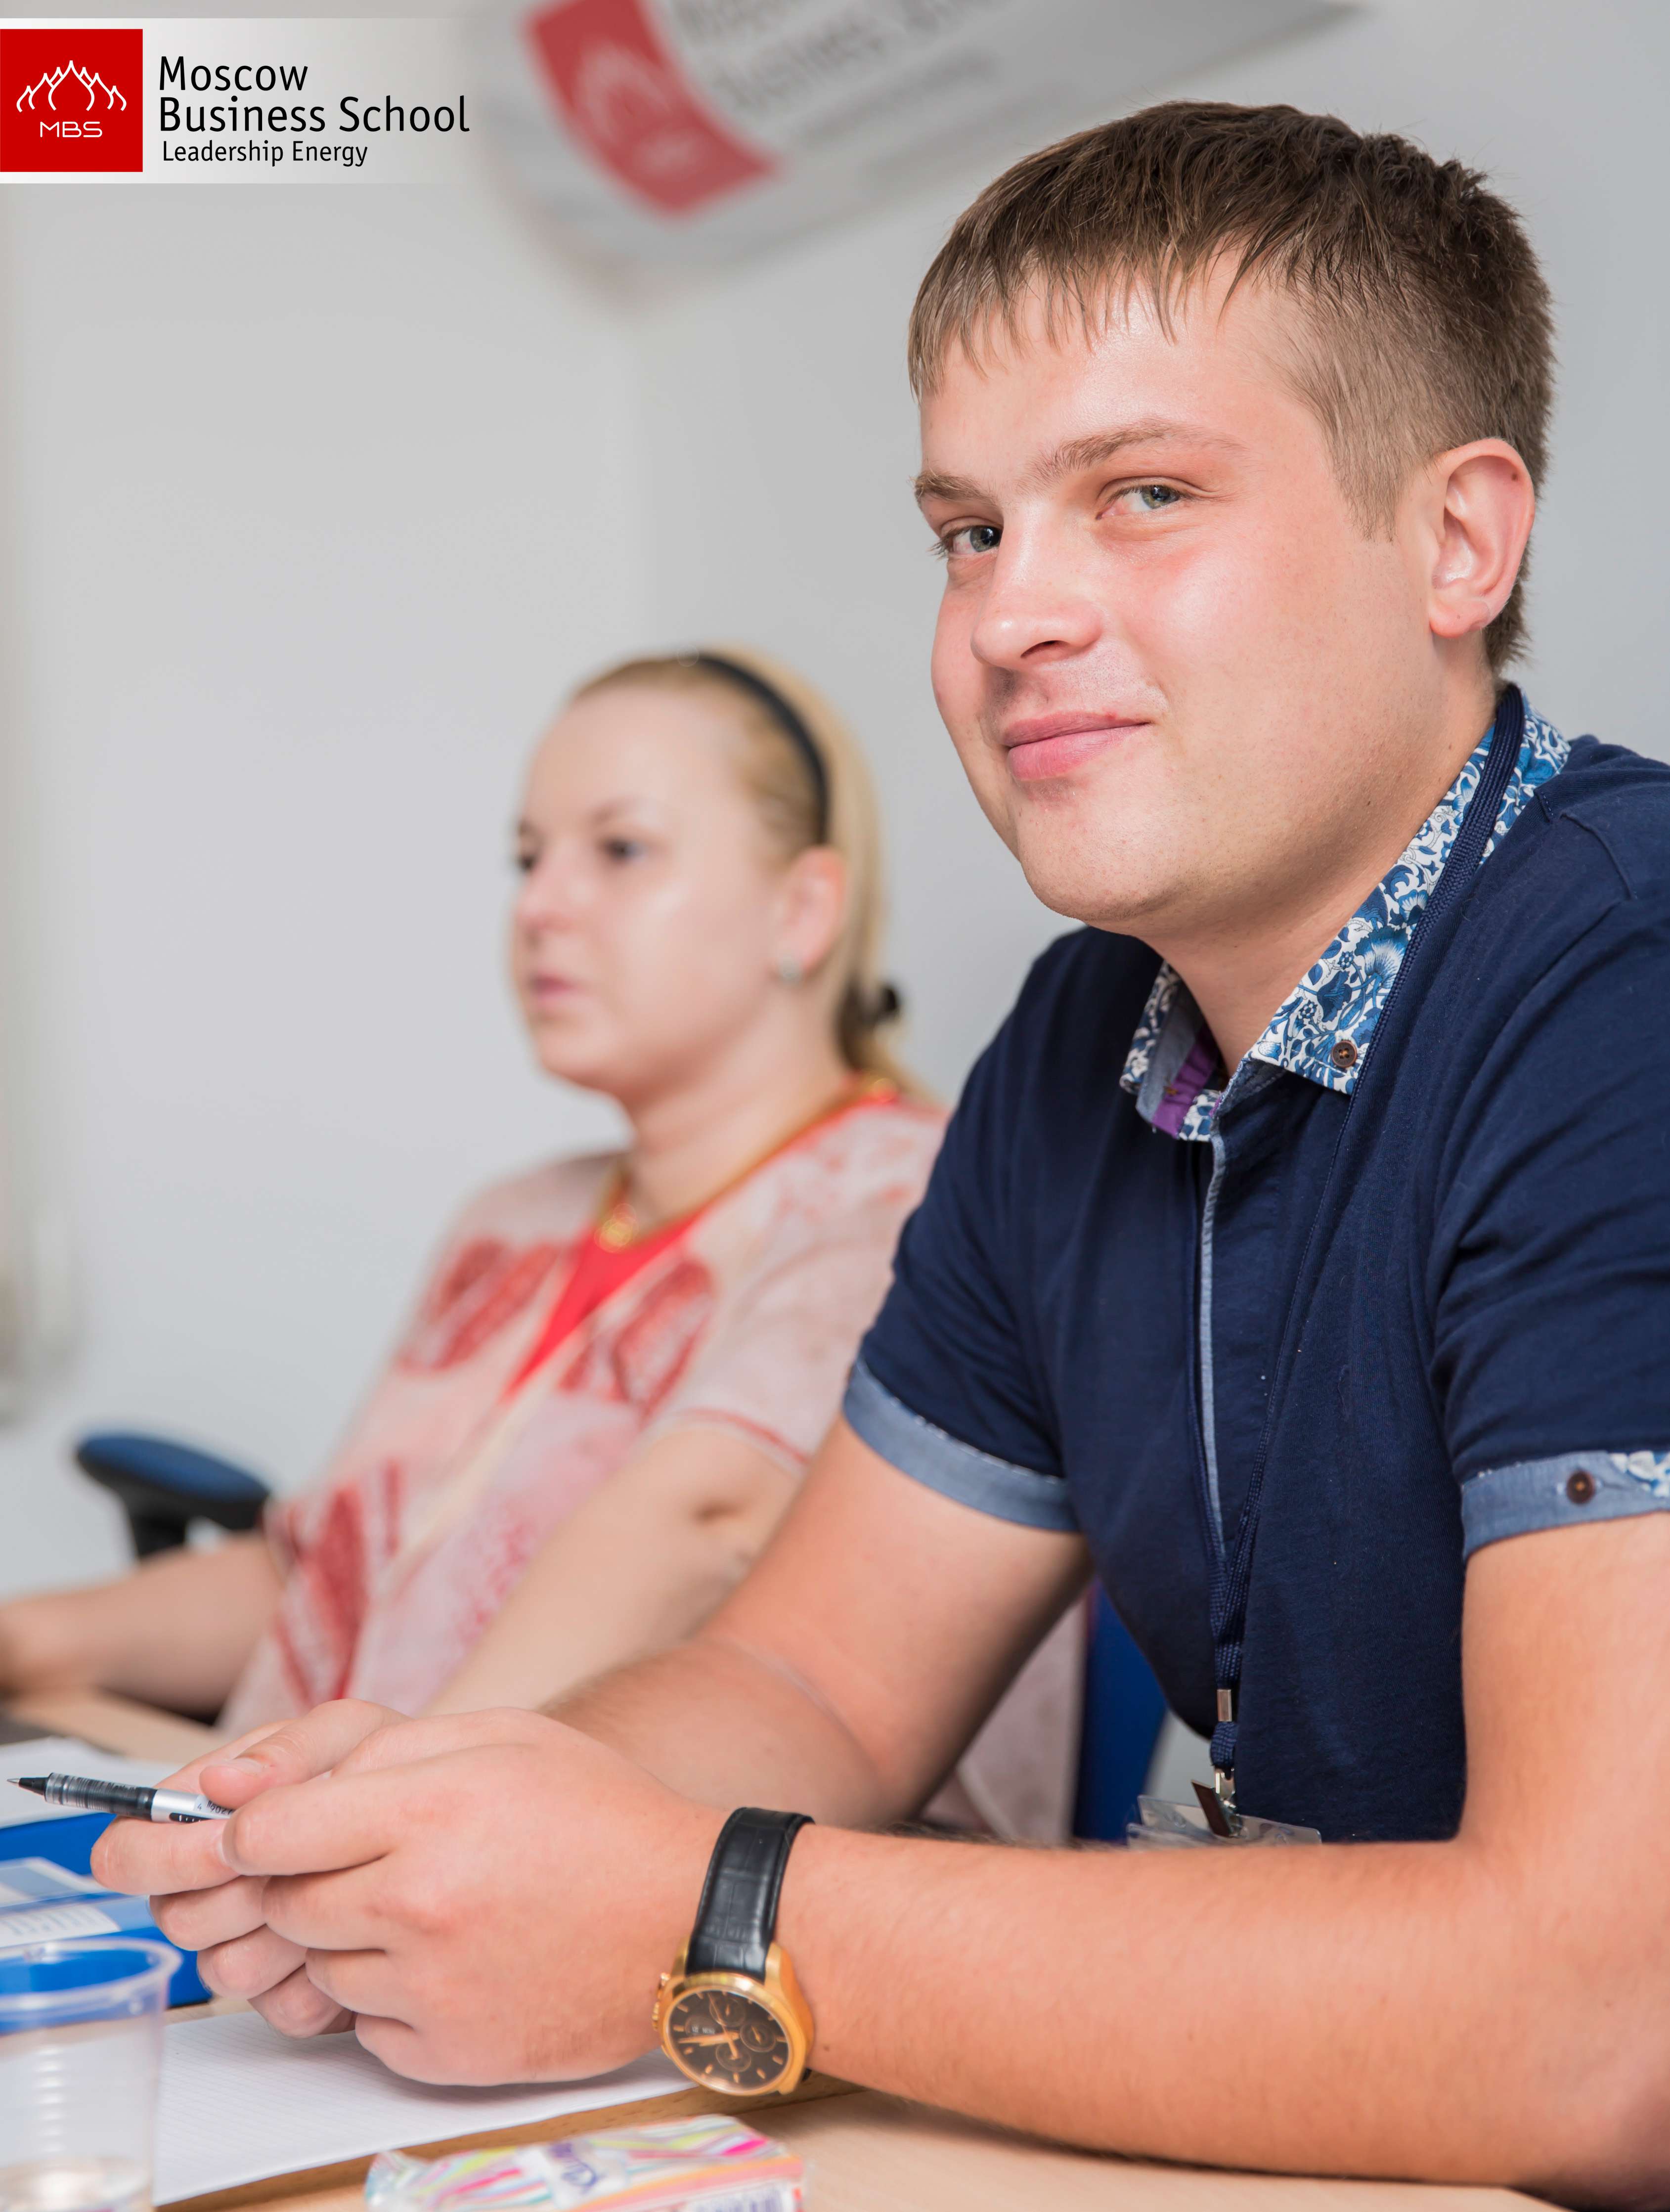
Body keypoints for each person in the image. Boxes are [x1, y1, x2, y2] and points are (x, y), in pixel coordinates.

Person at [100, 104, 1670, 2202]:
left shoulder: (1621, 983)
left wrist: (695, 1909)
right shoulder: (1076, 1038)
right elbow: (811, 1678)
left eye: (1139, 495)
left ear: (1455, 540)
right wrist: (434, 1829)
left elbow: (1603, 2021)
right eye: (968, 530)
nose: (1014, 614)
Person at [2, 648, 952, 1735]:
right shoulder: (516, 1221)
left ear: (803, 909)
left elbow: (703, 1525)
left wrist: (366, 1798)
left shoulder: (901, 1203)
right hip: (338, 1806)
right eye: (528, 857)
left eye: (622, 849)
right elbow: (329, 1574)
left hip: (568, 1830)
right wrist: (27, 1639)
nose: (540, 904)